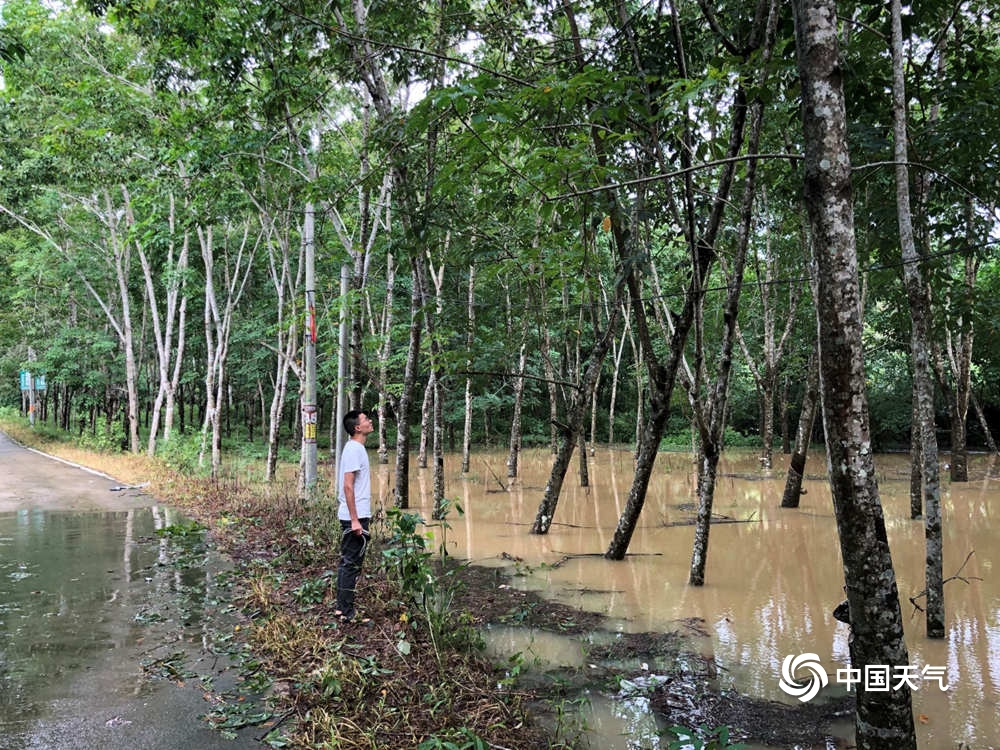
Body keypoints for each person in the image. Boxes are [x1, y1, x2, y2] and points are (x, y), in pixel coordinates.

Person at [335, 408, 374, 621]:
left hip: (356, 514)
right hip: (354, 516)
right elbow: (348, 486)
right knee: (351, 563)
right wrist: (355, 520)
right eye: (366, 419)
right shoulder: (353, 449)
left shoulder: (357, 448)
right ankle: (347, 612)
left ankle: (342, 608)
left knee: (350, 563)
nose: (370, 421)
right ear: (357, 427)